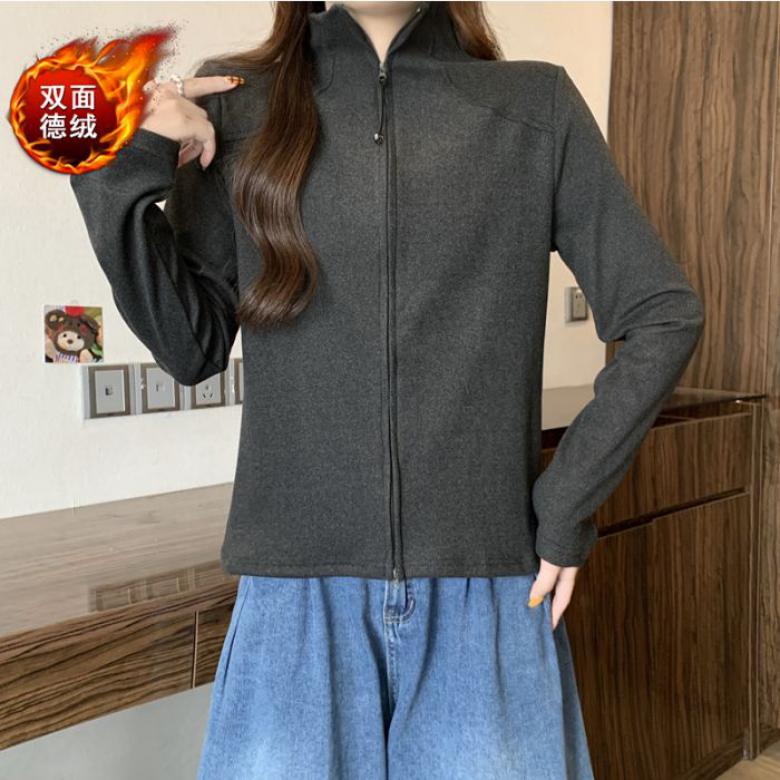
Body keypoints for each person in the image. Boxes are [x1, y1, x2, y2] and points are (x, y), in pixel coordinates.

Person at [69, 1, 705, 777]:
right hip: (295, 602)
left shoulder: (534, 109)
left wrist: (563, 509)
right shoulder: (238, 105)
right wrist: (120, 157)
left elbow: (662, 313)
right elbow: (190, 346)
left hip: (486, 593)